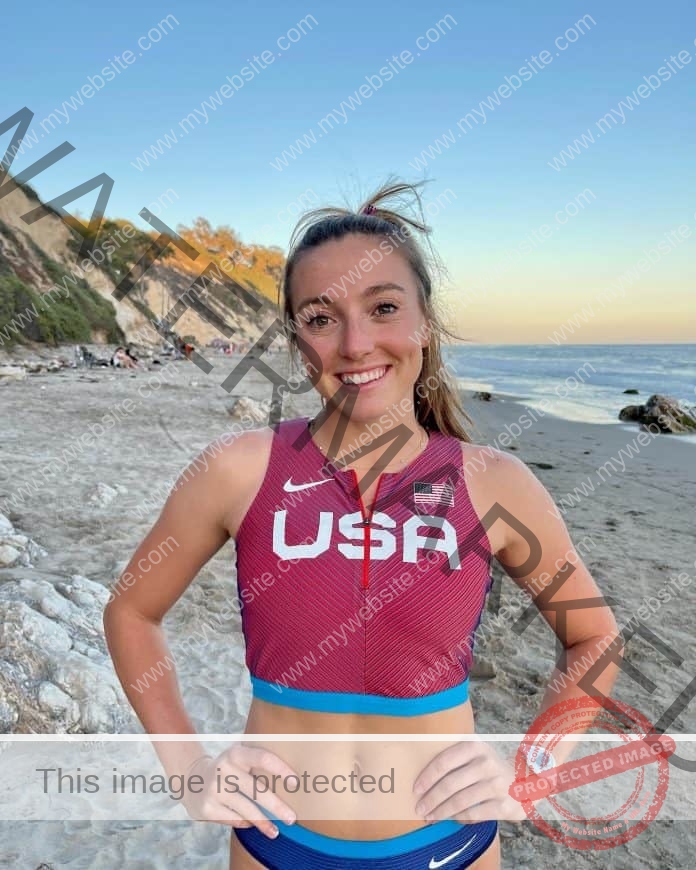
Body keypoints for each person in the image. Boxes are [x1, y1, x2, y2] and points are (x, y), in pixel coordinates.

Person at [103, 181, 620, 869]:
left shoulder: (493, 482)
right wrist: (188, 769)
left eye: (383, 308)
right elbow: (131, 612)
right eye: (320, 318)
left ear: (424, 322)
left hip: (450, 845)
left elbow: (593, 636)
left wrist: (533, 772)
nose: (354, 343)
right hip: (277, 845)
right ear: (295, 339)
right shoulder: (240, 469)